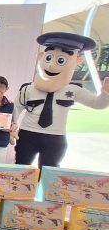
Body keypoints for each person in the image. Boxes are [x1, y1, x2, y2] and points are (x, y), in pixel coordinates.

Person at [14, 32, 109, 168]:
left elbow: (96, 104)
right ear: (40, 57)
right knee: (21, 167)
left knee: (50, 170)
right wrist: (12, 127)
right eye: (48, 58)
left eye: (60, 60)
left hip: (55, 136)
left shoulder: (74, 90)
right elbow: (16, 108)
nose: (52, 66)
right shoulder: (28, 89)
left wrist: (106, 94)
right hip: (28, 133)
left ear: (77, 61)